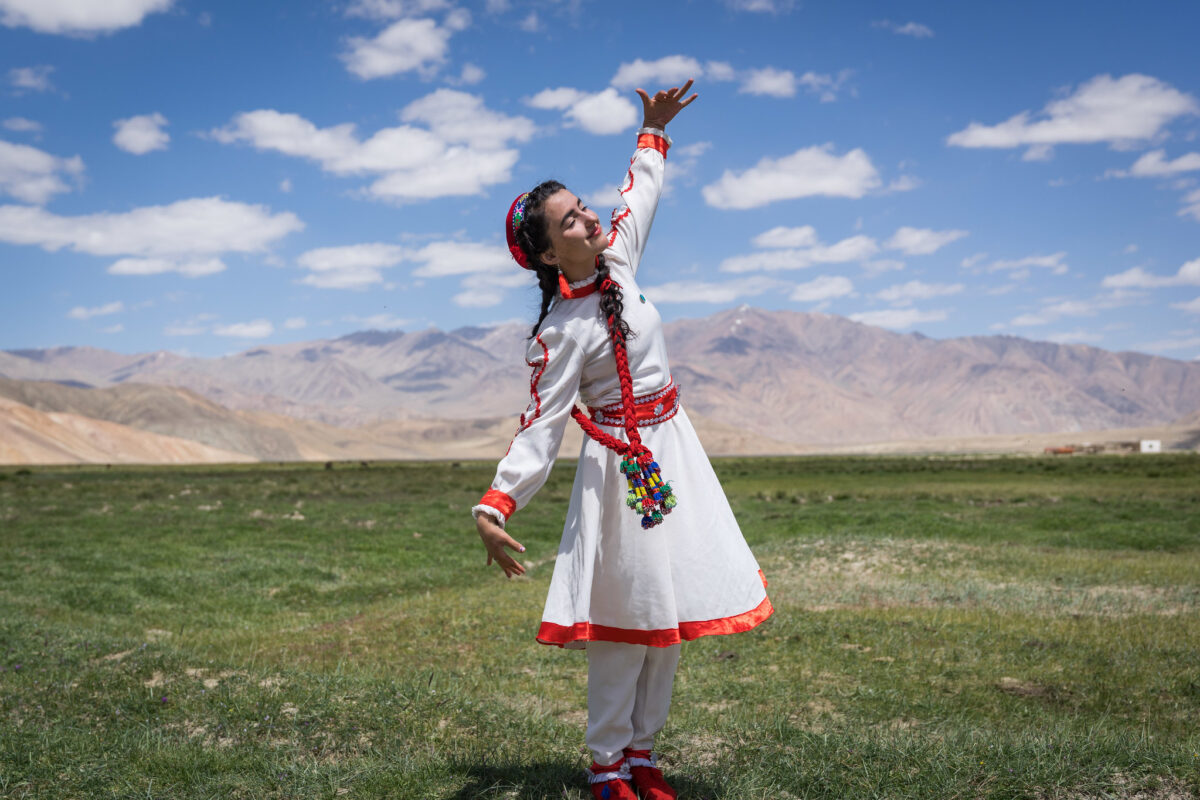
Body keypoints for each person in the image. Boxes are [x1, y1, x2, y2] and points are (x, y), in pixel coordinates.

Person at [471, 79, 772, 800]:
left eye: (581, 208)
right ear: (548, 255)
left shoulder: (619, 261)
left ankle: (643, 751)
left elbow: (639, 196)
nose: (588, 220)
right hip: (617, 477)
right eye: (569, 222)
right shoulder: (558, 333)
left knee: (666, 614)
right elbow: (540, 426)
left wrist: (652, 133)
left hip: (676, 458)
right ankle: (606, 761)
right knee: (623, 622)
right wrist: (497, 504)